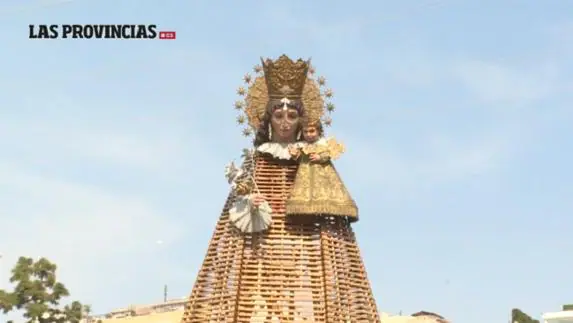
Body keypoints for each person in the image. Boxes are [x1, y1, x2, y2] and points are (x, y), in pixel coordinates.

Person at [180, 55, 380, 323]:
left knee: (309, 286)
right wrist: (249, 197)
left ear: (302, 121)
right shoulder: (258, 156)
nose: (285, 122)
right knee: (250, 287)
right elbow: (241, 192)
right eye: (279, 115)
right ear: (268, 119)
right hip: (260, 238)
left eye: (292, 115)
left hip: (304, 238)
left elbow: (327, 198)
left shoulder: (313, 160)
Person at [285, 118, 358, 223]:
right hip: (305, 174)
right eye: (305, 132)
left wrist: (320, 157)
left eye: (312, 131)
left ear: (318, 131)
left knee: (325, 193)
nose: (309, 134)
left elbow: (329, 154)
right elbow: (301, 158)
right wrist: (295, 154)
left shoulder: (324, 143)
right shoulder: (302, 145)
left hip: (323, 174)